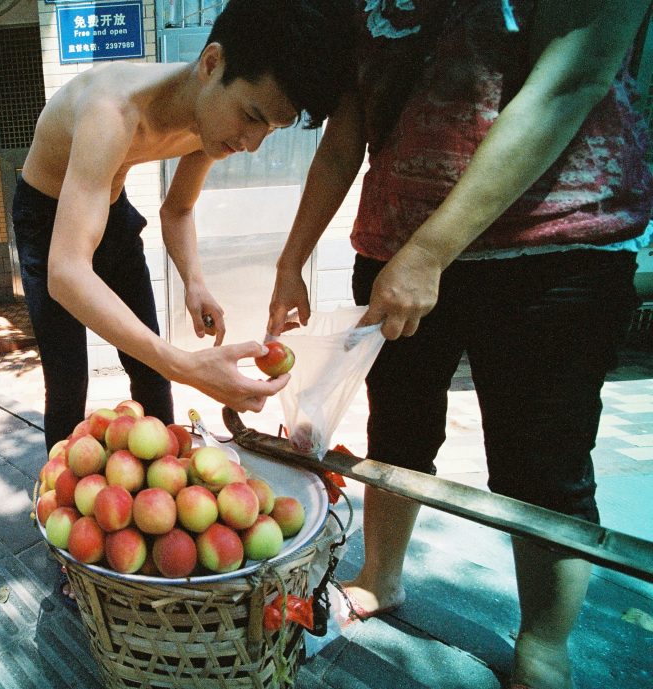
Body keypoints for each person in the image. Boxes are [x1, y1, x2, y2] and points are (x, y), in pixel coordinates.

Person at [267, 3, 652, 689]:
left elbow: (573, 77)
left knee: (543, 461)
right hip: (391, 251)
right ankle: (382, 576)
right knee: (398, 432)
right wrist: (290, 258)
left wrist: (432, 251)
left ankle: (542, 642)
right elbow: (345, 129)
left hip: (553, 243)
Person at [13, 0, 354, 449]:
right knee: (68, 377)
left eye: (269, 129)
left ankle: (167, 478)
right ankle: (56, 490)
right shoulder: (110, 111)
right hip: (44, 218)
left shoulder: (208, 119)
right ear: (212, 63)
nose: (251, 144)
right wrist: (186, 364)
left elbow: (177, 209)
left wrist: (194, 281)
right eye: (252, 117)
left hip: (109, 211)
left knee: (153, 373)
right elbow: (67, 272)